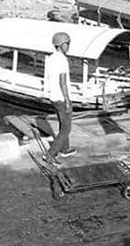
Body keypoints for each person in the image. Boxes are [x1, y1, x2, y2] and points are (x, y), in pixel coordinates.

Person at [43, 32, 76, 164]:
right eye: (67, 44)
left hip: (53, 96)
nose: (68, 46)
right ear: (62, 45)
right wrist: (67, 100)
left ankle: (65, 149)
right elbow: (63, 82)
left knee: (63, 123)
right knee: (66, 128)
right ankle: (50, 155)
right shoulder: (62, 59)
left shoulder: (51, 58)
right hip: (61, 98)